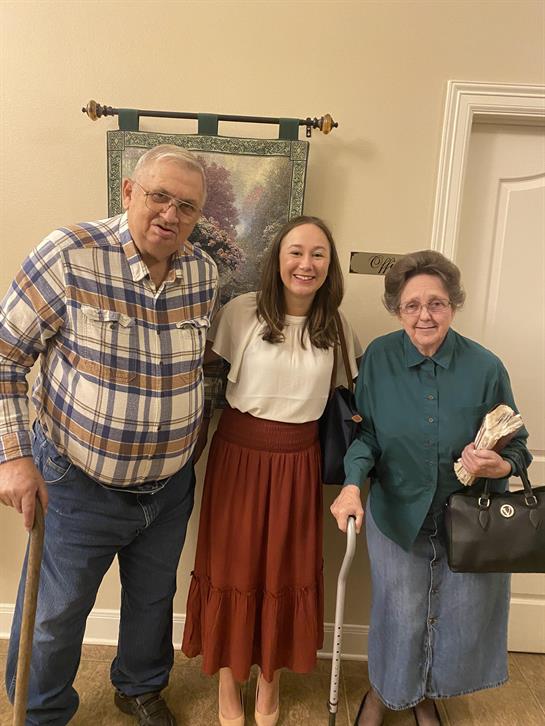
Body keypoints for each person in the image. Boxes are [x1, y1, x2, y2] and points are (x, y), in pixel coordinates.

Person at [0, 145, 218, 726]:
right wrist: (14, 458)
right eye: (159, 196)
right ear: (128, 192)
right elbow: (4, 357)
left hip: (169, 489)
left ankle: (139, 687)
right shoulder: (68, 254)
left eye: (187, 206)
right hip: (76, 485)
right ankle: (40, 711)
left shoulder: (203, 273)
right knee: (55, 614)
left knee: (153, 601)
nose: (171, 214)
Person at [330, 250, 531, 726]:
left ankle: (423, 696)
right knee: (399, 618)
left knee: (452, 617)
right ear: (397, 309)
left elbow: (518, 445)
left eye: (436, 303)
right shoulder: (379, 358)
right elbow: (367, 436)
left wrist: (500, 464)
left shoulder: (485, 367)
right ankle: (383, 693)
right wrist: (352, 485)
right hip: (397, 515)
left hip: (468, 521)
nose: (425, 315)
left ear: (453, 305)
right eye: (412, 305)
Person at [181, 216, 362, 726]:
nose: (307, 264)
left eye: (318, 254)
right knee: (233, 567)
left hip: (299, 460)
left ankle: (268, 680)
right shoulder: (241, 312)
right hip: (239, 456)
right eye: (296, 252)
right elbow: (197, 377)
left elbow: (348, 404)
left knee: (285, 569)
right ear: (278, 260)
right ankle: (227, 682)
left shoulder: (338, 328)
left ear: (329, 265)